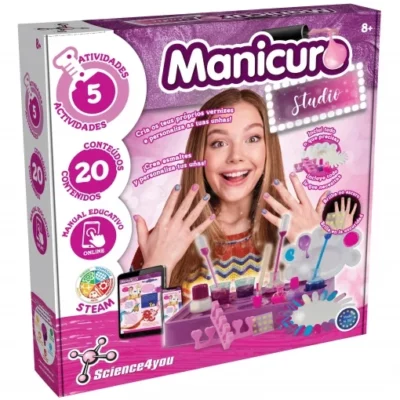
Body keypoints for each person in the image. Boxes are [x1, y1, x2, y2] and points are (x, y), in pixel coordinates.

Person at [131, 88, 331, 303]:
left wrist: (320, 252)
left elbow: (325, 314)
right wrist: (155, 268)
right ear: (200, 154)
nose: (236, 156)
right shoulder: (164, 239)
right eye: (219, 143)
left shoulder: (299, 229)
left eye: (252, 138)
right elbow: (136, 323)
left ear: (268, 149)